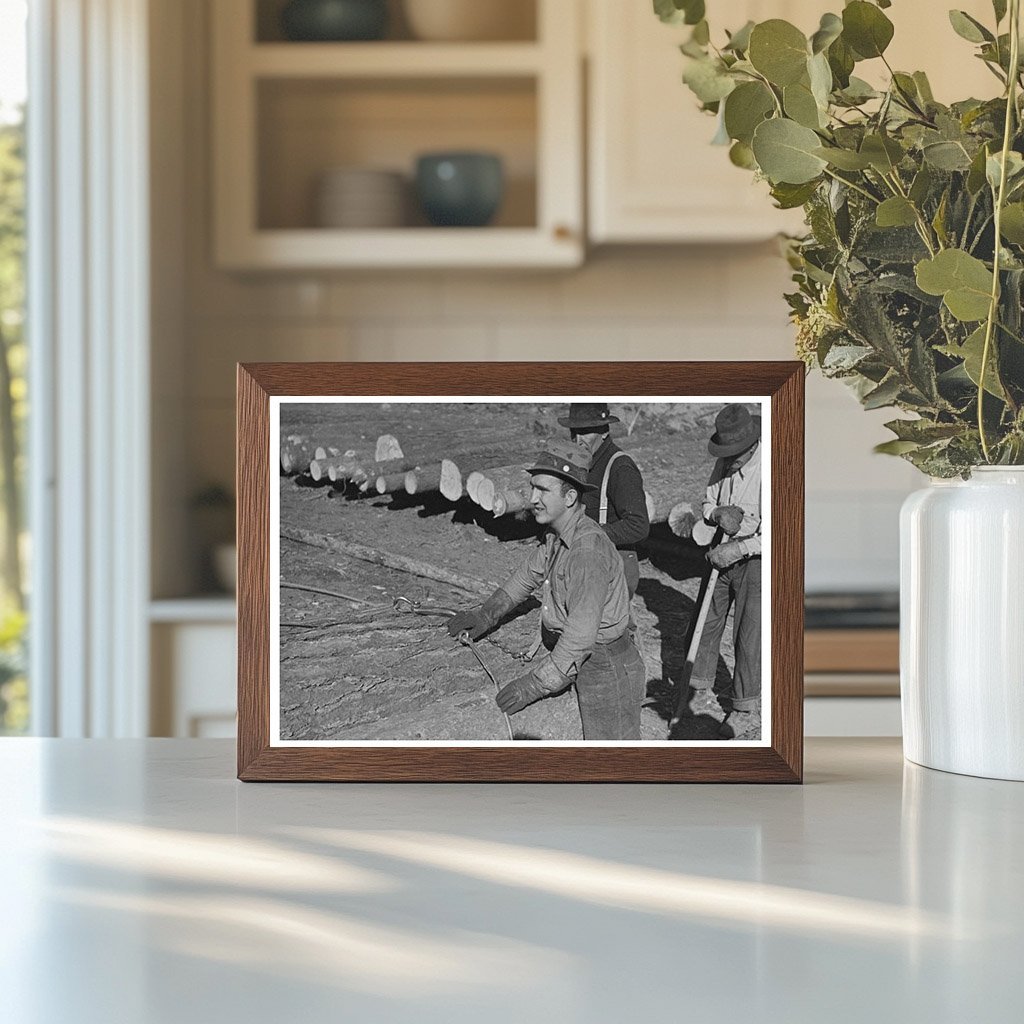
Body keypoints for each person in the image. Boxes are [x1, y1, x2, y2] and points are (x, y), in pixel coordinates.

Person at [447, 440, 646, 740]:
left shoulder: (586, 552)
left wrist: (533, 685)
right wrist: (487, 614)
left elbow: (580, 637)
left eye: (542, 490)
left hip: (606, 665)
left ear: (569, 497)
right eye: (532, 488)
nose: (532, 498)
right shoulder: (557, 535)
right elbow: (526, 576)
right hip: (586, 655)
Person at [669, 404, 761, 739]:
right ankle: (697, 689)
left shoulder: (771, 468)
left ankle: (744, 708)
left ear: (752, 447)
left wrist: (740, 547)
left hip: (757, 556)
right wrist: (718, 512)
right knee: (705, 618)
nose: (730, 460)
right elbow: (707, 502)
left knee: (749, 633)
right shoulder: (723, 461)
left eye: (736, 455)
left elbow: (782, 530)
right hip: (721, 548)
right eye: (726, 454)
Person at [557, 404, 649, 597]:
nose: (578, 440)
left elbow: (638, 525)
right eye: (574, 432)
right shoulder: (580, 462)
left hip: (613, 562)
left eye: (586, 433)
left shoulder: (620, 468)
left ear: (604, 431)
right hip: (581, 558)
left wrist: (593, 533)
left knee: (608, 625)